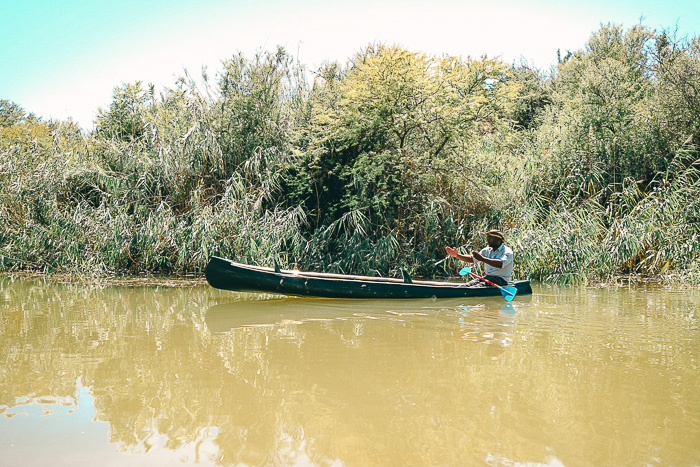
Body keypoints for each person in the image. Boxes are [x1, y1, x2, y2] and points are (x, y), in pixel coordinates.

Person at [445, 229, 514, 287]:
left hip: (501, 280)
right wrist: (457, 255)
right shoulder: (486, 250)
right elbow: (472, 259)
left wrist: (482, 259)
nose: (488, 239)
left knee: (475, 288)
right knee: (465, 286)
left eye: (491, 237)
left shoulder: (507, 251)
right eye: (488, 237)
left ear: (498, 239)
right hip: (487, 278)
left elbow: (500, 264)